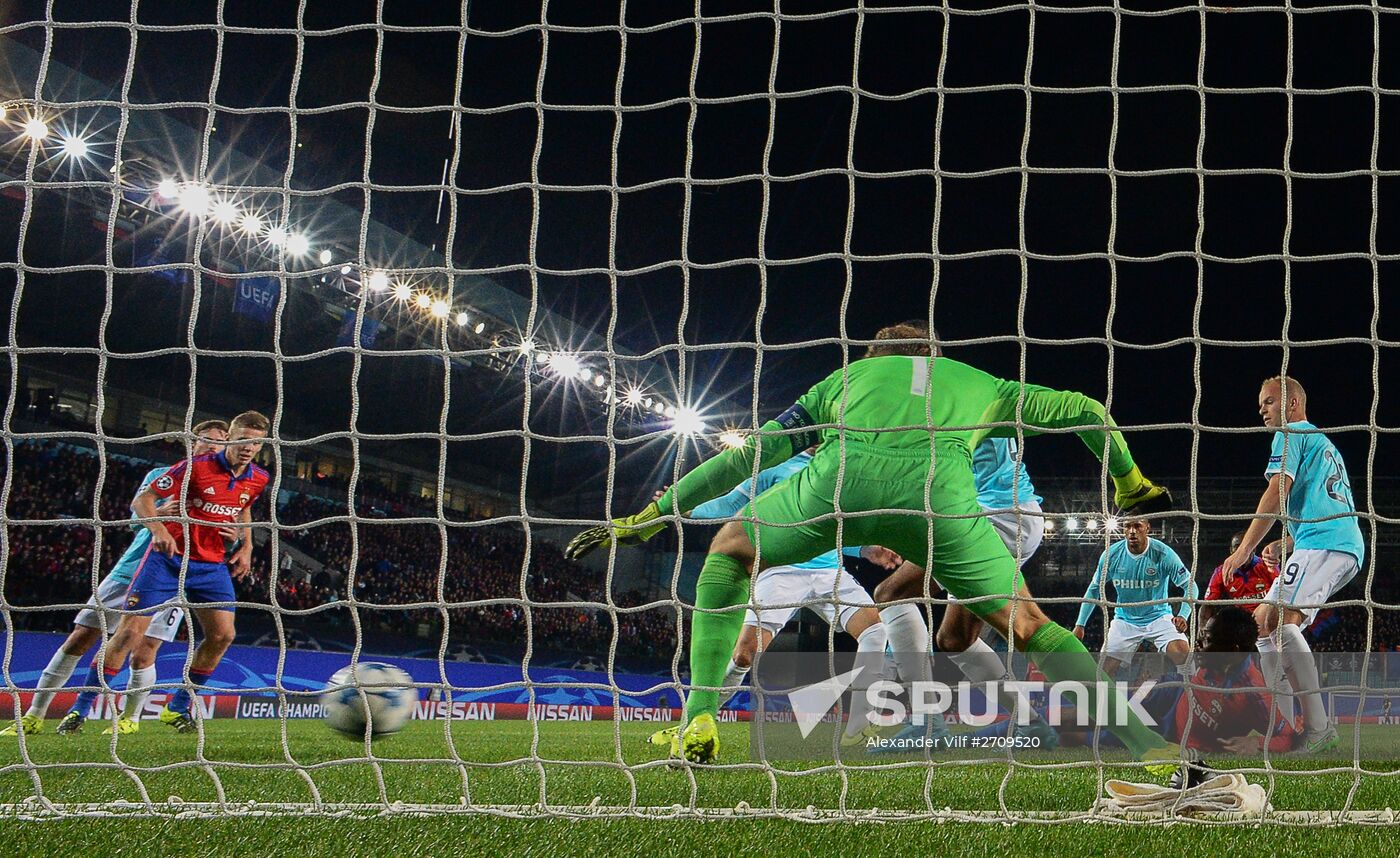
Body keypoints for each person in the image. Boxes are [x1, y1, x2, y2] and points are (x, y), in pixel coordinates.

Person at [567, 320, 1180, 777]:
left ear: (874, 358)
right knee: (1023, 621)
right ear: (932, 356)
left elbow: (749, 455)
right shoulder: (980, 383)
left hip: (840, 494)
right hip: (944, 505)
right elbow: (1085, 410)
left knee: (731, 550)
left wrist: (651, 516)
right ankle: (1146, 744)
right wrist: (1132, 483)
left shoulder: (843, 380)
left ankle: (701, 713)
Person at [646, 450, 893, 752]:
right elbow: (732, 504)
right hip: (780, 572)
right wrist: (687, 510)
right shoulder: (776, 470)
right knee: (743, 657)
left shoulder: (836, 471)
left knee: (875, 631)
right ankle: (695, 719)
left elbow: (835, 527)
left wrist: (866, 550)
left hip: (830, 573)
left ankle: (860, 721)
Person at [1, 421, 230, 738]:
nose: (214, 445)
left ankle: (130, 718)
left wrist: (234, 536)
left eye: (221, 441)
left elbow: (222, 534)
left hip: (176, 574)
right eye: (207, 439)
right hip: (132, 567)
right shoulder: (162, 477)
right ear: (191, 443)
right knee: (82, 636)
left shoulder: (222, 487)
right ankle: (34, 715)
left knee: (146, 646)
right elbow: (135, 521)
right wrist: (162, 510)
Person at [99, 411, 271, 733]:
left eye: (256, 443)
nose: (248, 448)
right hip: (168, 559)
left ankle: (177, 706)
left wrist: (247, 546)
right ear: (231, 438)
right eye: (244, 440)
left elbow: (244, 506)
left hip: (210, 565)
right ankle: (83, 709)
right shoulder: (195, 467)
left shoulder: (259, 478)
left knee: (223, 635)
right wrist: (159, 530)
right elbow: (142, 500)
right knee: (128, 634)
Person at [1220, 376, 1363, 754]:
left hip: (1326, 543)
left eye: (1268, 402)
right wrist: (1287, 541)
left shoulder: (1290, 433)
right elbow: (1325, 502)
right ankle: (1282, 730)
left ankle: (1317, 729)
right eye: (1261, 404)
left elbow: (1277, 490)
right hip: (1332, 542)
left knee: (1276, 622)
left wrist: (1245, 548)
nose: (1262, 409)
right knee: (1266, 623)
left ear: (1293, 403)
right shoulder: (1321, 442)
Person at [1074, 518, 1197, 678]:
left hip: (1158, 618)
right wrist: (1080, 625)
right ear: (1123, 529)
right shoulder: (1111, 555)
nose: (1132, 531)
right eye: (1127, 526)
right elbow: (1094, 589)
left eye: (1137, 526)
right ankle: (1103, 702)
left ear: (1147, 528)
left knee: (1184, 656)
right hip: (1125, 621)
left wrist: (1183, 615)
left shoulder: (1163, 554)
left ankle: (1192, 697)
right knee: (1103, 673)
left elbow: (1190, 586)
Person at [1199, 533, 1279, 629]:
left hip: (1267, 620)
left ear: (1253, 549)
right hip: (1241, 624)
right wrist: (1202, 628)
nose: (1240, 551)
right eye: (1236, 547)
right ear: (1231, 550)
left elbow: (1283, 594)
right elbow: (1208, 604)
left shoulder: (1267, 567)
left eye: (1243, 546)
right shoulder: (1221, 571)